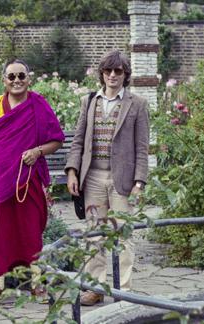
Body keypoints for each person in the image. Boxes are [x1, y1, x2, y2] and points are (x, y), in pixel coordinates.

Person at [65, 50, 150, 306]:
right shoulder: (89, 101)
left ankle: (124, 291)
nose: (113, 75)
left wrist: (139, 182)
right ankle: (95, 289)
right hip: (93, 178)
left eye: (118, 71)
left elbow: (142, 147)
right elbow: (78, 140)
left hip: (122, 180)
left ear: (125, 75)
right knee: (94, 234)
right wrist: (72, 171)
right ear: (102, 74)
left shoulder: (137, 104)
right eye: (108, 71)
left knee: (123, 235)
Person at [0, 59, 64, 302]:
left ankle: (37, 283)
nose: (16, 81)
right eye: (11, 77)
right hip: (0, 177)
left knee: (31, 231)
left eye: (21, 76)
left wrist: (37, 152)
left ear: (29, 79)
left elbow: (57, 140)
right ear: (4, 80)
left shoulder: (38, 105)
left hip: (28, 180)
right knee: (1, 231)